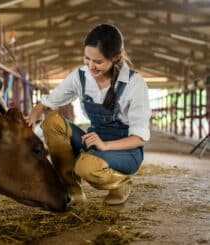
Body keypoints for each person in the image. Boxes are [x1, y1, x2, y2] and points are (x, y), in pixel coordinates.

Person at [27, 24, 151, 205]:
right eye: (87, 59)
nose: (91, 66)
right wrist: (34, 114)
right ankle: (72, 188)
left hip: (125, 150)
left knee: (85, 167)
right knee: (52, 121)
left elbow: (140, 138)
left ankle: (121, 183)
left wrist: (105, 145)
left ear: (115, 58)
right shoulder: (81, 76)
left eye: (98, 62)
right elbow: (50, 101)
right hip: (94, 141)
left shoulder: (135, 84)